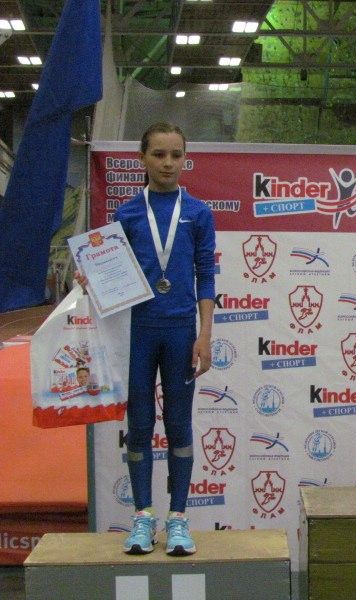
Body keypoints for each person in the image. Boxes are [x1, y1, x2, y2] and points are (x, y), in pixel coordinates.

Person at [78, 122, 215, 556]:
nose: (168, 163)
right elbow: (110, 274)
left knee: (178, 425)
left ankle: (178, 520)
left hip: (180, 333)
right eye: (159, 154)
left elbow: (206, 276)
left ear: (185, 158)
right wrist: (91, 277)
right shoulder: (127, 214)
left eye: (176, 155)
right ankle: (142, 518)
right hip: (136, 333)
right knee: (139, 426)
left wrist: (205, 334)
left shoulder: (199, 213)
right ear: (142, 158)